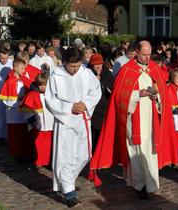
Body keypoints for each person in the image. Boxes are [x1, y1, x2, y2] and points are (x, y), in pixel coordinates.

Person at [89, 40, 177, 200]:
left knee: (150, 150)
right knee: (136, 150)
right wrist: (138, 94)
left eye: (149, 55)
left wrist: (157, 96)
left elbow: (163, 93)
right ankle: (140, 185)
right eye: (144, 55)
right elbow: (118, 97)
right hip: (133, 117)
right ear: (136, 52)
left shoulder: (155, 68)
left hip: (151, 118)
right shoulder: (126, 70)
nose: (147, 58)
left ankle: (150, 183)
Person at [45, 47, 101, 207]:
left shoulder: (86, 73)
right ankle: (69, 191)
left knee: (84, 154)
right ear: (65, 63)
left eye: (78, 65)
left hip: (82, 119)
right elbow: (50, 99)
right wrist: (69, 107)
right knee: (65, 155)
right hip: (64, 121)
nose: (75, 69)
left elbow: (95, 92)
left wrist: (86, 104)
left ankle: (68, 180)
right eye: (72, 66)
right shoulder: (56, 74)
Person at [0, 58, 33, 161]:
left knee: (23, 131)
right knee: (15, 133)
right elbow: (6, 98)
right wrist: (17, 101)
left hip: (23, 109)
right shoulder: (10, 81)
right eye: (22, 68)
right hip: (13, 111)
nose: (23, 70)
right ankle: (16, 153)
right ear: (15, 68)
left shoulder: (24, 78)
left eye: (24, 68)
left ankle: (24, 151)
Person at [20, 73, 54, 168]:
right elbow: (28, 110)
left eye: (45, 85)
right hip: (40, 124)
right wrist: (32, 121)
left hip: (51, 123)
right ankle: (40, 161)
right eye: (40, 85)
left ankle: (49, 160)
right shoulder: (32, 94)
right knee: (40, 144)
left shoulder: (51, 93)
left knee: (50, 144)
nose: (43, 87)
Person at [88, 53, 114, 154]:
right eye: (96, 64)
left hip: (104, 109)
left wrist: (102, 83)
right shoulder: (88, 73)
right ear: (91, 65)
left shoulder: (107, 73)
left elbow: (112, 89)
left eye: (100, 64)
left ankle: (100, 154)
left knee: (102, 133)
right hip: (93, 109)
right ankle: (91, 154)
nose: (98, 66)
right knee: (92, 133)